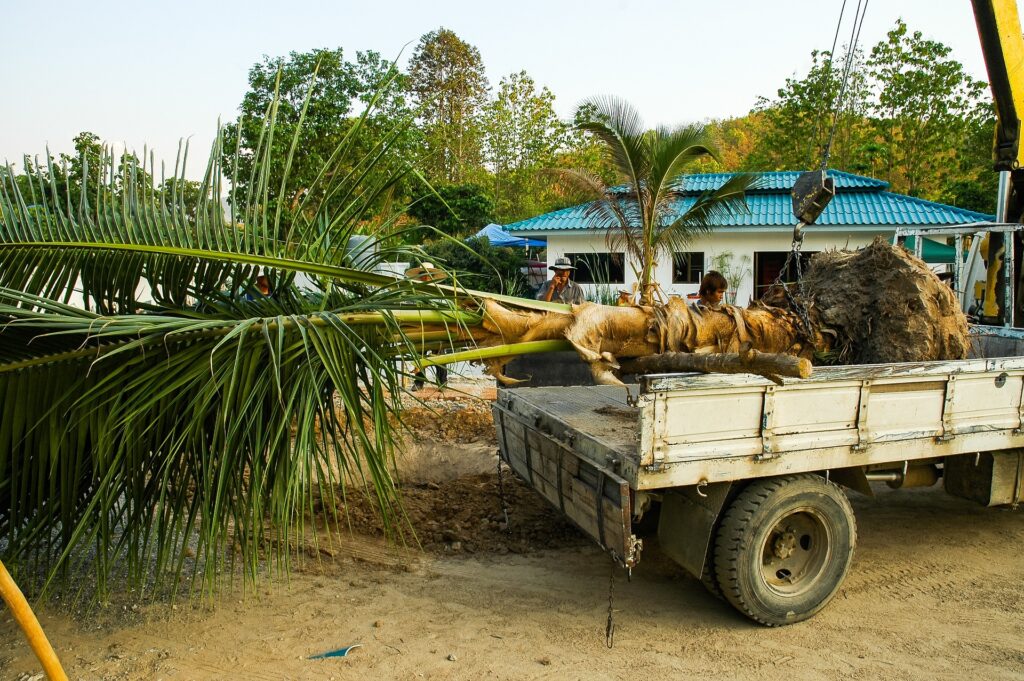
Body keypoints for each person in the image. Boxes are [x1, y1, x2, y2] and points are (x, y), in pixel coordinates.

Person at [404, 262, 449, 389]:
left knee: (440, 356)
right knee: (419, 356)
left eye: (428, 274)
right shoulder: (414, 292)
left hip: (436, 328)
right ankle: (418, 383)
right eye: (423, 274)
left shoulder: (439, 292)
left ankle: (442, 382)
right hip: (420, 328)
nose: (425, 277)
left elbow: (444, 308)